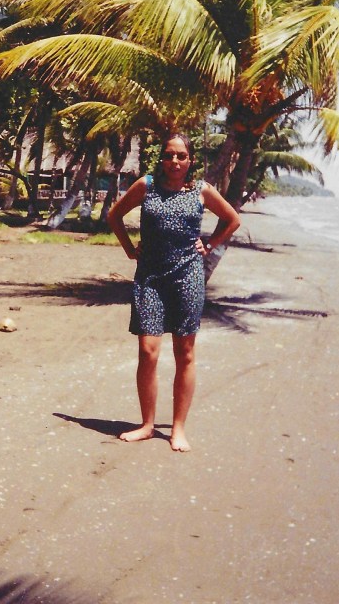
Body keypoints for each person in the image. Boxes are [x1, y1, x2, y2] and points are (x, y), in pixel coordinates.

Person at [106, 132, 240, 451]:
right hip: (150, 277)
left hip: (187, 277)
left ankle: (178, 428)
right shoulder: (146, 186)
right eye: (169, 155)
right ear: (161, 158)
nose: (175, 161)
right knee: (148, 351)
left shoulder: (202, 190)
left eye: (181, 156)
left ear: (190, 160)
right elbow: (114, 215)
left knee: (185, 353)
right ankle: (148, 425)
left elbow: (232, 220)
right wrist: (128, 248)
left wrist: (209, 245)